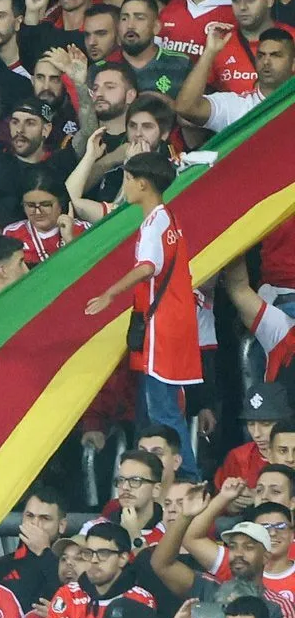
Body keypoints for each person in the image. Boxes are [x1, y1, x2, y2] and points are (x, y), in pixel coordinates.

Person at [84, 152, 202, 476]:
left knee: (163, 410)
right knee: (159, 407)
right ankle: (165, 475)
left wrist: (110, 293)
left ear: (142, 183)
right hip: (171, 318)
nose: (125, 187)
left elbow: (148, 266)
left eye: (126, 180)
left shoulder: (154, 222)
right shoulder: (169, 217)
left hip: (160, 321)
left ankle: (188, 477)